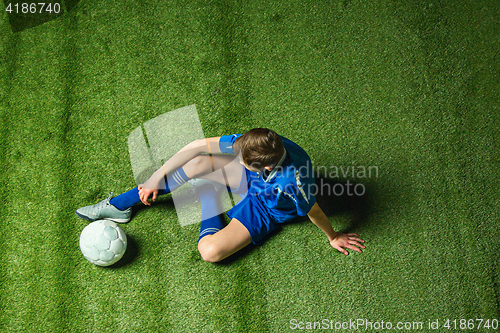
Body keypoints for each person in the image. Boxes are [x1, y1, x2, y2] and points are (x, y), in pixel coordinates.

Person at [76, 128, 365, 262]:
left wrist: (333, 236)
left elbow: (313, 210)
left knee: (210, 252)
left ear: (265, 165)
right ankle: (120, 205)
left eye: (242, 160)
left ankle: (208, 195)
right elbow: (198, 145)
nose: (235, 159)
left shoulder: (293, 181)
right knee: (198, 162)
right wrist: (154, 178)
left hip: (268, 206)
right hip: (257, 179)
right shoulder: (262, 142)